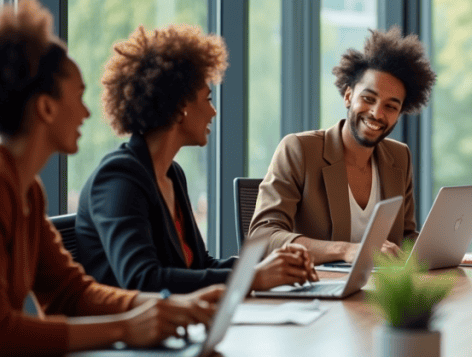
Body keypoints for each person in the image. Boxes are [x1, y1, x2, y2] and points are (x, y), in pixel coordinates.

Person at [0, 0, 221, 357]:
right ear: (46, 107)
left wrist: (156, 308)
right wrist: (126, 326)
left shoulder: (29, 192)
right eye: (80, 96)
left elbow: (71, 294)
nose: (88, 112)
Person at [75, 25, 316, 293]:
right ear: (180, 107)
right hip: (130, 331)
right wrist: (253, 277)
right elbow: (142, 280)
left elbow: (200, 264)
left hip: (178, 323)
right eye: (207, 99)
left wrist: (269, 264)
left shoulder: (172, 174)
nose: (213, 112)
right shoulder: (119, 178)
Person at [248, 27, 436, 264]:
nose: (377, 113)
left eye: (391, 106)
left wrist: (441, 251)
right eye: (368, 99)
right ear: (348, 96)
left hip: (377, 291)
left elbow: (405, 238)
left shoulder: (399, 157)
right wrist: (346, 250)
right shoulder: (299, 150)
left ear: (399, 113)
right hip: (314, 288)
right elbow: (262, 236)